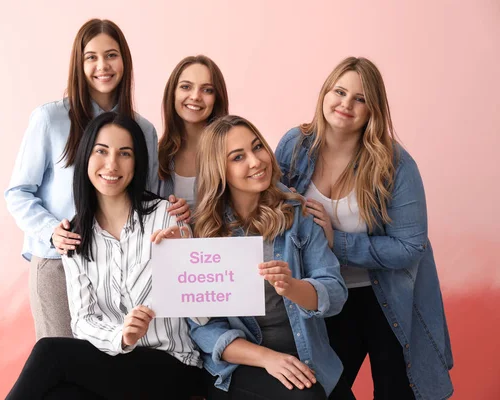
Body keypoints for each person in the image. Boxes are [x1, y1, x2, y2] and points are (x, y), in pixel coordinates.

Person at [275, 57, 453, 399]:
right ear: (325, 93)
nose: (346, 104)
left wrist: (335, 241)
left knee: (396, 392)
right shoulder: (295, 144)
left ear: (373, 110)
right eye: (339, 91)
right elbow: (268, 206)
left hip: (385, 296)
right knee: (320, 391)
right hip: (324, 295)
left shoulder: (395, 163)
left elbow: (411, 247)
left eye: (360, 99)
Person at [5, 19, 186, 339]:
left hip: (122, 270)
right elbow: (18, 192)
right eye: (92, 57)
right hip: (60, 264)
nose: (102, 65)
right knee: (60, 369)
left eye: (111, 55)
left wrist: (174, 209)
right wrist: (51, 232)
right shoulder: (50, 119)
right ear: (79, 63)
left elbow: (147, 197)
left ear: (124, 62)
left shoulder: (143, 130)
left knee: (108, 375)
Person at [6, 112, 204, 399]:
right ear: (86, 156)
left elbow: (203, 311)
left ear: (136, 163)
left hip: (174, 363)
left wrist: (186, 252)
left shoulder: (167, 218)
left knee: (50, 351)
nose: (112, 164)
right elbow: (82, 320)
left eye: (125, 154)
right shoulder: (75, 235)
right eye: (101, 151)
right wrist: (122, 336)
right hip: (116, 361)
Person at [188, 115, 353, 399]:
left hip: (308, 356)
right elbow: (204, 330)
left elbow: (335, 292)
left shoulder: (297, 214)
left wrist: (293, 287)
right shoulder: (203, 233)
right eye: (238, 157)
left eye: (257, 147)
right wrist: (267, 358)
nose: (256, 161)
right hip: (242, 365)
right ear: (219, 170)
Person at [157, 55, 229, 209]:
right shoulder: (154, 155)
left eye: (207, 90)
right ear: (173, 93)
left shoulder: (231, 152)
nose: (196, 96)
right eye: (186, 87)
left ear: (217, 98)